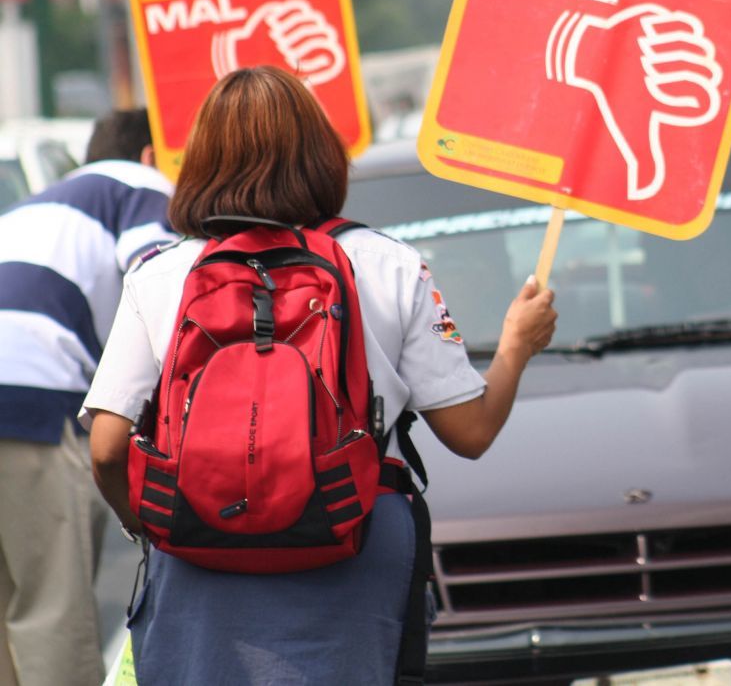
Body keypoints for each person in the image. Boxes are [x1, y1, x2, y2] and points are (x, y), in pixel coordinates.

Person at [82, 66, 557, 684]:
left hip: (199, 546)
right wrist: (516, 344)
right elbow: (470, 432)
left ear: (200, 161)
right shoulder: (389, 264)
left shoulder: (160, 274)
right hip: (351, 540)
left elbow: (108, 447)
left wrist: (153, 526)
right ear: (320, 155)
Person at [0, 109, 172, 686]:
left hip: (16, 388)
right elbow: (162, 282)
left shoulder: (38, 205)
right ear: (150, 154)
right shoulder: (140, 185)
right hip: (30, 401)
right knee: (50, 605)